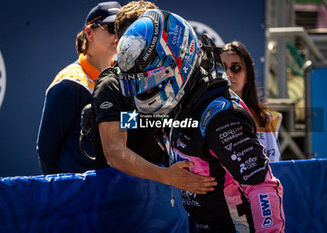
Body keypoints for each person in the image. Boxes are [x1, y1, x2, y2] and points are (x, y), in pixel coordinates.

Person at [116, 9, 285, 232]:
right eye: (139, 86)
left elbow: (262, 187)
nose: (145, 92)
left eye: (151, 83)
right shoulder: (182, 104)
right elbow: (148, 122)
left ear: (178, 63)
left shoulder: (220, 116)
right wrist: (111, 120)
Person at [85, 0, 217, 195]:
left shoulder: (170, 76)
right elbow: (114, 152)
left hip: (164, 198)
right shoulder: (111, 84)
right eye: (144, 31)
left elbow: (164, 123)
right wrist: (167, 176)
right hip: (119, 202)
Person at [36, 1, 121, 174]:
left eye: (122, 28)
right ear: (89, 33)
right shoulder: (69, 84)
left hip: (119, 189)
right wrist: (64, 194)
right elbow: (46, 152)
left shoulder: (125, 76)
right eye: (112, 27)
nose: (118, 34)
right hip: (80, 193)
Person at [221, 41, 282, 162]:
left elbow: (277, 167)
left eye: (236, 68)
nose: (228, 74)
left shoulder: (268, 118)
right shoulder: (201, 116)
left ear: (248, 75)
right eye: (222, 67)